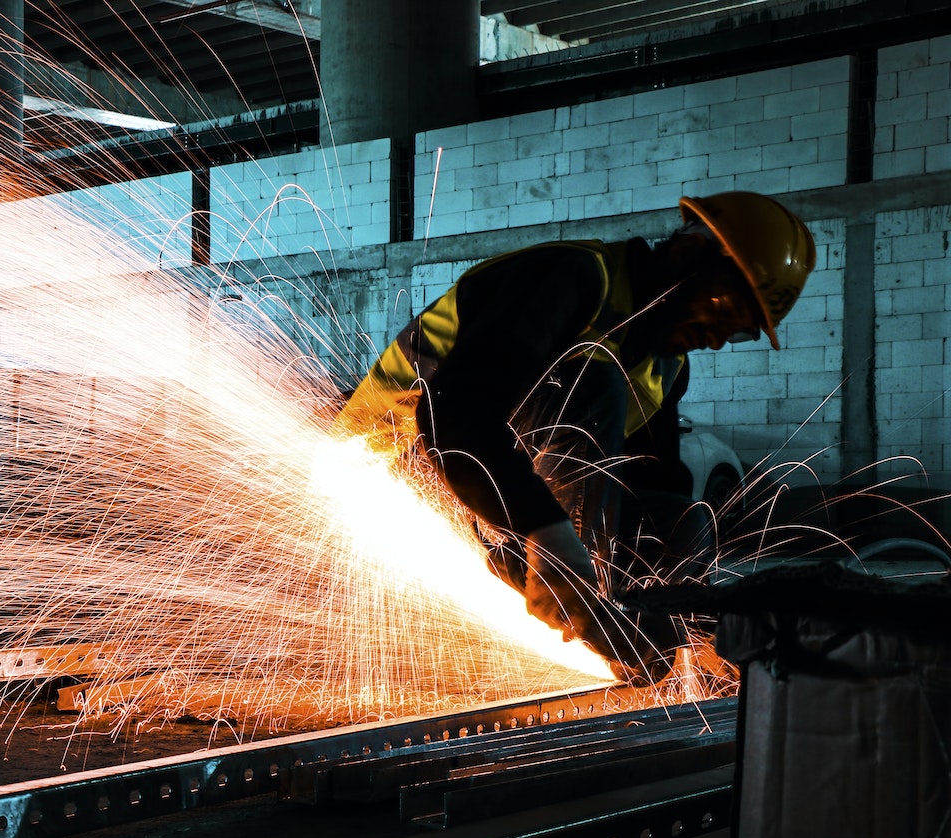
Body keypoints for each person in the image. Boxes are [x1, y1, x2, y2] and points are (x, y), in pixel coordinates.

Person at [337, 191, 816, 681]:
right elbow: (455, 417)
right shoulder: (572, 278)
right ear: (688, 256)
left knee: (684, 520)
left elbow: (652, 486)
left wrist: (689, 612)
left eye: (737, 332)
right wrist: (548, 532)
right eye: (722, 311)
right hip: (402, 466)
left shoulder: (666, 367)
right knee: (591, 384)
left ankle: (652, 641)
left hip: (495, 478)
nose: (717, 337)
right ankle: (566, 591)